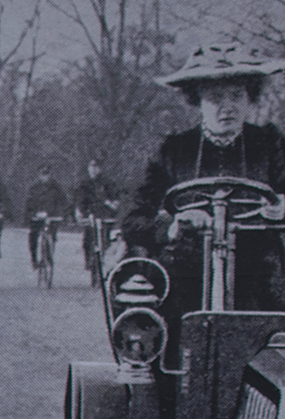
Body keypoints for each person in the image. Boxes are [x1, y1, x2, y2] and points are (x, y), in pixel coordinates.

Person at [121, 41, 285, 314]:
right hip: (185, 270)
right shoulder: (174, 150)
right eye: (216, 97)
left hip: (259, 270)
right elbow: (132, 217)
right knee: (149, 305)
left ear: (250, 98)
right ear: (197, 99)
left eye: (236, 95)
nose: (227, 107)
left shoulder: (270, 143)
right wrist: (172, 227)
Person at [73, 158, 120, 276]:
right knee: (87, 241)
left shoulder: (108, 183)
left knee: (105, 241)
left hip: (105, 217)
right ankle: (89, 261)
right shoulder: (84, 184)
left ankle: (104, 263)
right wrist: (79, 212)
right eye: (91, 167)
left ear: (100, 169)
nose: (93, 170)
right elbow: (80, 200)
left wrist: (112, 204)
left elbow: (116, 200)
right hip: (91, 216)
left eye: (96, 167)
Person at [24, 165, 71, 269]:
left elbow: (63, 202)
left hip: (52, 216)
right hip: (37, 216)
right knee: (33, 235)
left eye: (47, 174)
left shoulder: (57, 188)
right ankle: (34, 259)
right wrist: (31, 215)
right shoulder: (34, 188)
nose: (45, 177)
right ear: (39, 175)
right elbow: (29, 204)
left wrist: (63, 215)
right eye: (43, 174)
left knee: (52, 235)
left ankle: (48, 256)